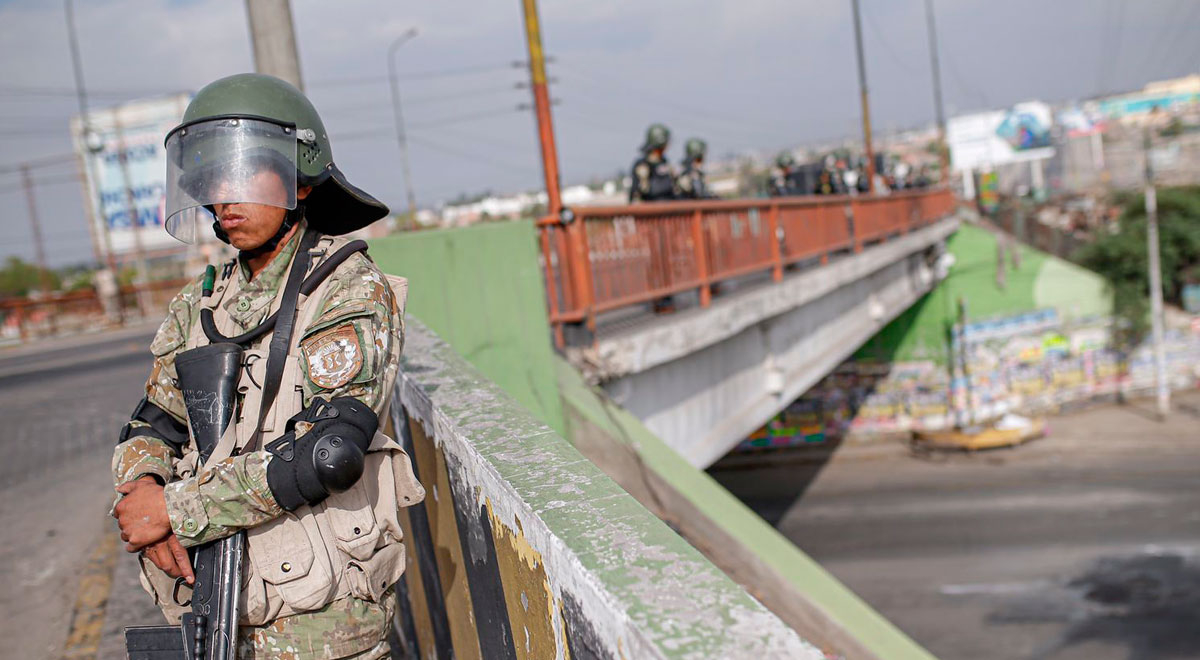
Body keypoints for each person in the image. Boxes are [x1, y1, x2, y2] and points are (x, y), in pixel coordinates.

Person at [110, 73, 424, 659]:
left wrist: (177, 510)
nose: (222, 198)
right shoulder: (198, 304)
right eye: (208, 181)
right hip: (215, 611)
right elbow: (152, 423)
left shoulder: (347, 288)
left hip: (324, 627)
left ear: (301, 181)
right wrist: (142, 488)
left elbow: (329, 452)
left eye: (242, 174)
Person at [629, 123, 676, 202]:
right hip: (651, 210)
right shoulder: (642, 164)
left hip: (668, 210)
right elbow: (636, 194)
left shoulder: (665, 162)